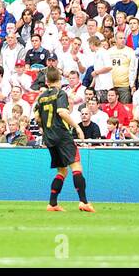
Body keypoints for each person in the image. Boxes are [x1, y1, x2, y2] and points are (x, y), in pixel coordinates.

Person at [35, 65, 95, 212]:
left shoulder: (41, 97)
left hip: (49, 137)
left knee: (62, 171)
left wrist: (46, 129)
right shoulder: (60, 93)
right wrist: (77, 127)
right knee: (76, 166)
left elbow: (37, 117)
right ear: (60, 79)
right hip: (62, 135)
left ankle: (52, 203)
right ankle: (83, 202)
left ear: (47, 81)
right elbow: (62, 111)